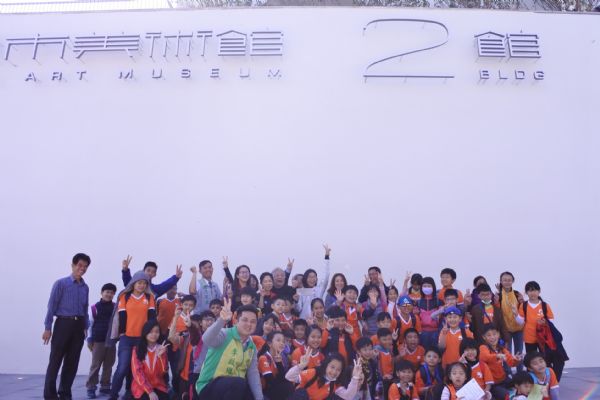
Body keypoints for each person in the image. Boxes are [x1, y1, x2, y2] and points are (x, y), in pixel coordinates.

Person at [43, 253, 92, 400]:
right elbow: (51, 306)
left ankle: (65, 394)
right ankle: (50, 395)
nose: (82, 268)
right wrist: (47, 327)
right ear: (73, 265)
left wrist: (85, 326)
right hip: (63, 324)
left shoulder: (85, 287)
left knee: (72, 362)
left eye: (85, 266)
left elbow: (85, 308)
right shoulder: (61, 284)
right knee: (55, 360)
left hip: (79, 326)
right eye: (80, 265)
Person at [195, 299, 264, 400]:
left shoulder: (252, 346)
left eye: (253, 322)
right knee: (238, 383)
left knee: (252, 393)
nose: (249, 324)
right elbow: (206, 339)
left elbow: (253, 374)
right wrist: (221, 320)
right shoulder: (225, 334)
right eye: (245, 320)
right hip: (208, 387)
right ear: (236, 321)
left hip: (234, 390)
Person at [108, 271, 157, 400]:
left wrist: (151, 336)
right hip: (127, 338)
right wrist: (122, 332)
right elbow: (122, 316)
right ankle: (113, 395)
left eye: (144, 283)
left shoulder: (149, 298)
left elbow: (152, 318)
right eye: (139, 282)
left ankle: (130, 393)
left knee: (136, 368)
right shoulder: (125, 296)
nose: (142, 285)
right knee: (123, 367)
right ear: (134, 283)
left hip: (142, 339)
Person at [285, 352, 363, 400]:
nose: (334, 372)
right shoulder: (313, 373)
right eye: (332, 367)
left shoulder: (335, 384)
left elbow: (348, 396)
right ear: (326, 365)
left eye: (338, 369)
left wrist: (355, 378)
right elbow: (289, 377)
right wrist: (300, 366)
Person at [86, 283, 117, 399]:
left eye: (112, 293)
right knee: (95, 365)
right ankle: (91, 388)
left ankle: (105, 387)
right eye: (107, 292)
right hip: (98, 341)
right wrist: (89, 339)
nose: (109, 294)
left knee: (109, 365)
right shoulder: (94, 308)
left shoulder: (116, 307)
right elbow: (89, 324)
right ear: (102, 293)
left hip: (111, 341)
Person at [479, 324, 523, 399]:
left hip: (504, 379)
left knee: (522, 383)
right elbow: (484, 357)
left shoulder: (502, 349)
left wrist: (516, 359)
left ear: (498, 334)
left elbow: (511, 362)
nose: (492, 337)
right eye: (488, 335)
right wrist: (496, 356)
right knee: (505, 395)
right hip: (493, 384)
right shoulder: (483, 347)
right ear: (484, 337)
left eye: (494, 334)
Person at [130, 320, 170, 400]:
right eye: (151, 332)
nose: (154, 334)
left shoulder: (161, 348)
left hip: (158, 385)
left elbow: (163, 372)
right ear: (145, 333)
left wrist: (161, 357)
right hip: (141, 387)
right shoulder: (137, 350)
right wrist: (150, 391)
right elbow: (137, 373)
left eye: (157, 332)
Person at [295, 244, 331, 319]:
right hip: (304, 322)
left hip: (318, 321)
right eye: (309, 277)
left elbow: (326, 275)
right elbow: (298, 309)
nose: (312, 279)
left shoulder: (319, 289)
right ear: (305, 279)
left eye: (314, 277)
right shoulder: (301, 291)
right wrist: (296, 301)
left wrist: (327, 257)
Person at [257, 331, 294, 399]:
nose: (282, 343)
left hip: (274, 389)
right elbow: (270, 381)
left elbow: (283, 378)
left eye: (283, 341)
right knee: (287, 387)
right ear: (269, 343)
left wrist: (279, 363)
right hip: (264, 391)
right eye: (278, 340)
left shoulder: (280, 359)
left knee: (289, 385)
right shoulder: (264, 358)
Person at [495, 271, 524, 355]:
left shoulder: (517, 294)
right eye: (505, 280)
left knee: (519, 353)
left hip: (519, 328)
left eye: (509, 280)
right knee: (507, 353)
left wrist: (522, 302)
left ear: (512, 281)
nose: (507, 282)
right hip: (505, 329)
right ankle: (508, 365)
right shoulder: (498, 295)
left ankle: (519, 365)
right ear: (501, 281)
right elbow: (496, 311)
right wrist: (496, 302)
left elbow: (523, 309)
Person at [416, 277, 441, 350]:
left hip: (435, 332)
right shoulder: (418, 302)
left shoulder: (438, 301)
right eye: (424, 286)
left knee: (435, 352)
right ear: (421, 287)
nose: (427, 288)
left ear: (433, 287)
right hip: (422, 333)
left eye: (429, 286)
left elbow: (441, 317)